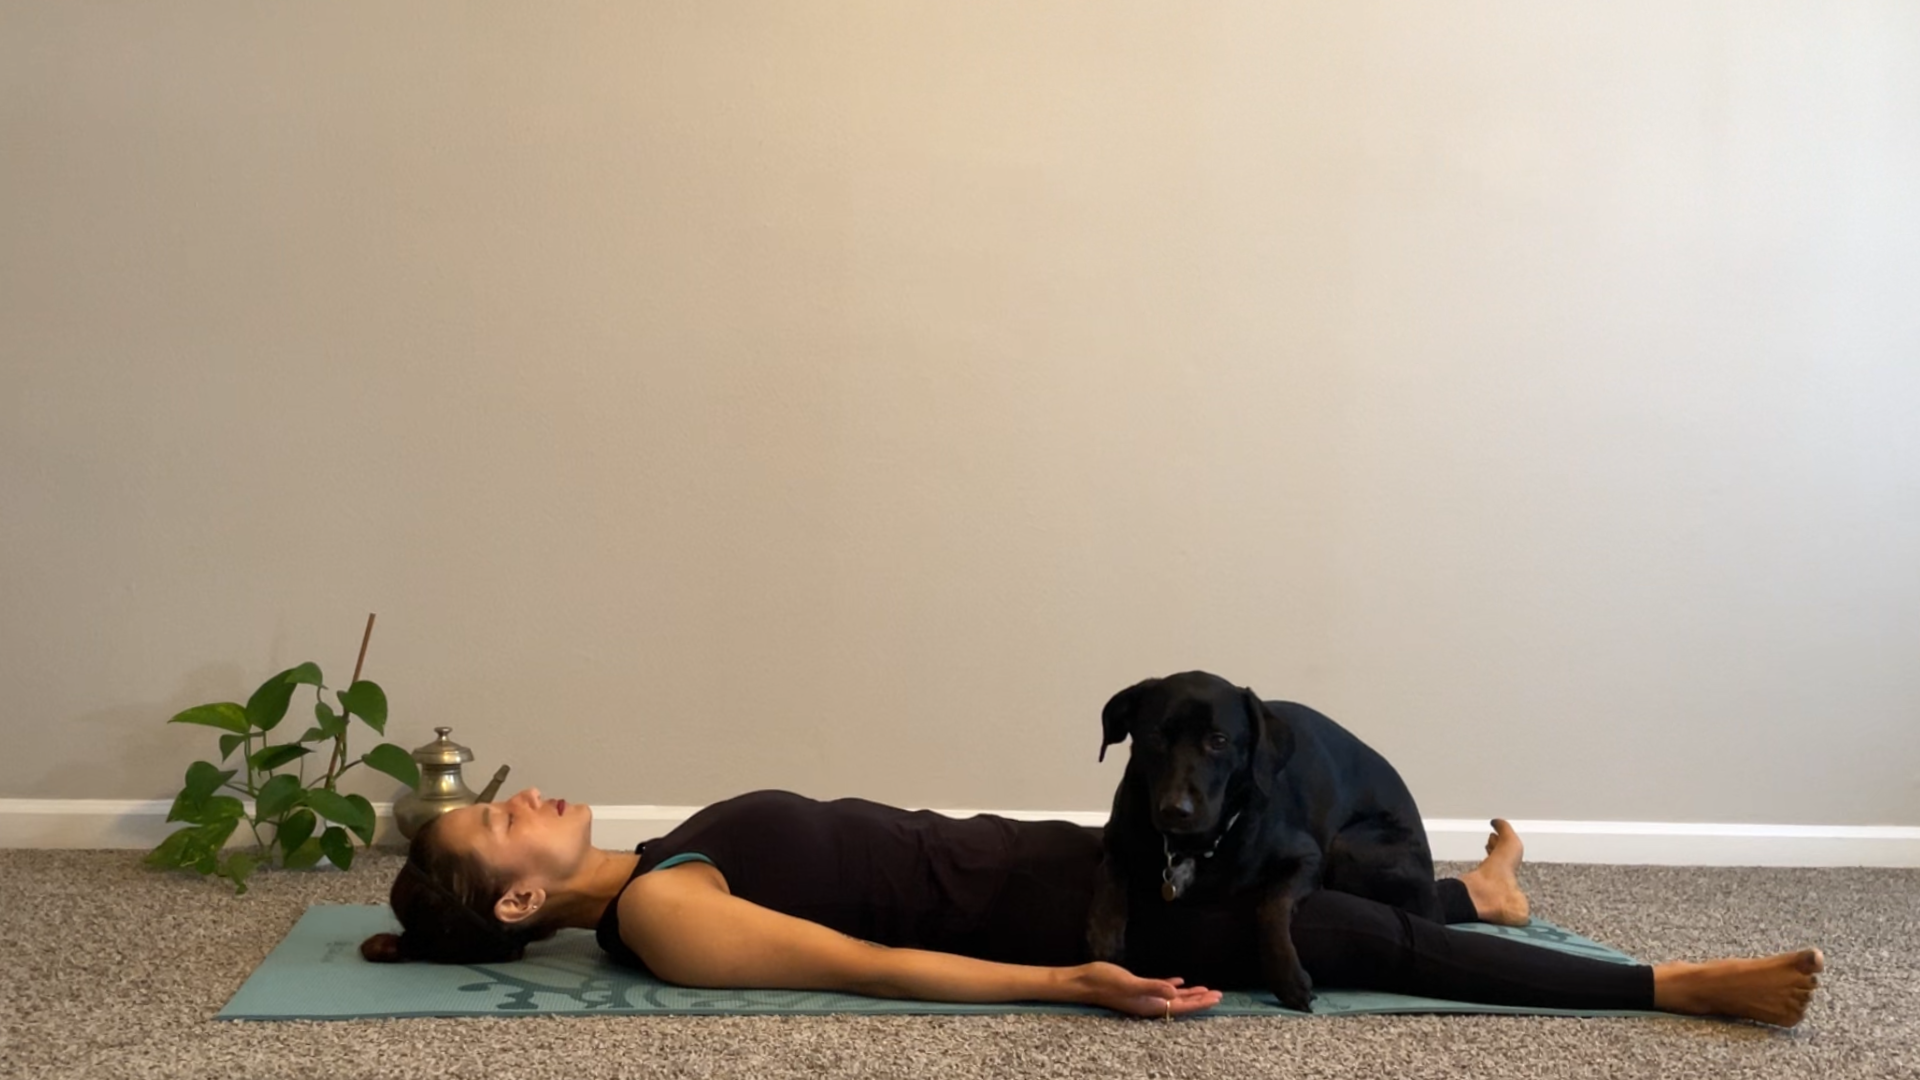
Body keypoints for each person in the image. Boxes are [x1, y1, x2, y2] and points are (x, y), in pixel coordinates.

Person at [360, 787, 1823, 1025]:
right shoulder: (664, 916)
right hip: (1076, 924)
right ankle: (1671, 987)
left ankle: (1482, 893)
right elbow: (873, 965)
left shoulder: (671, 845)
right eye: (498, 823)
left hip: (1052, 855)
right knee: (1348, 946)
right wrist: (1064, 988)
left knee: (1280, 858)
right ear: (521, 902)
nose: (524, 792)